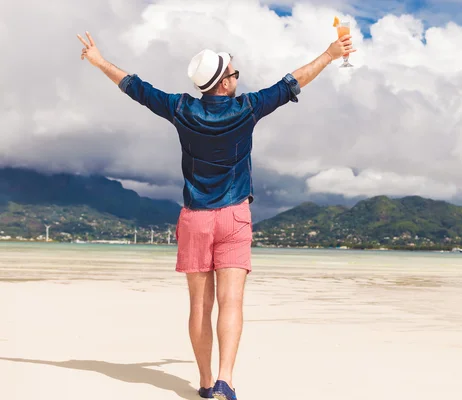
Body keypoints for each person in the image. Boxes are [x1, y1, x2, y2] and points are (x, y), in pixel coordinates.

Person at [76, 30, 355, 400]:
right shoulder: (248, 108)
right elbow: (293, 81)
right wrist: (330, 53)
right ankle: (226, 380)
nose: (239, 78)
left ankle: (206, 383)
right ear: (223, 83)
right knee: (232, 303)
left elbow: (136, 87)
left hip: (194, 219)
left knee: (199, 307)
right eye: (235, 74)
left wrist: (98, 61)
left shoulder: (180, 108)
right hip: (235, 218)